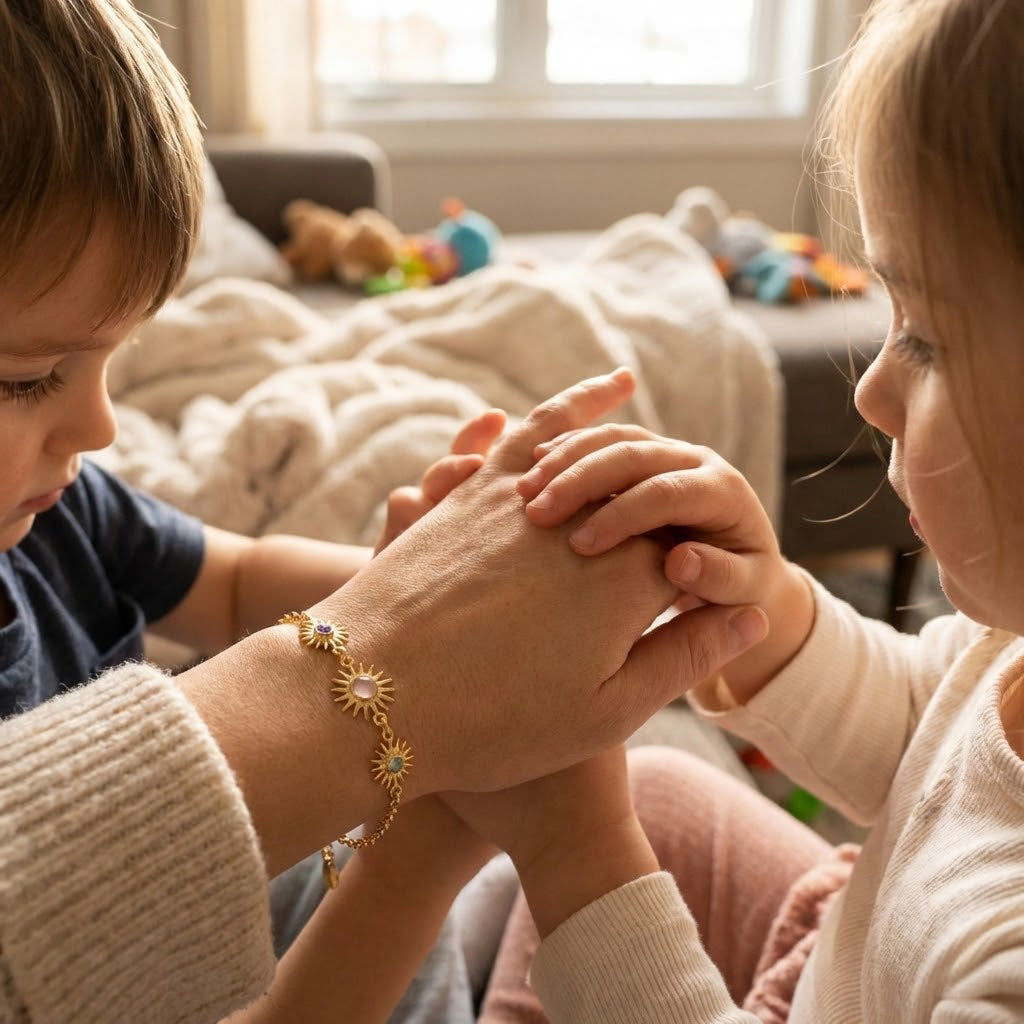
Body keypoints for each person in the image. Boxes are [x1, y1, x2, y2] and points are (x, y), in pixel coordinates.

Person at [0, 4, 772, 1021]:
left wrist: (453, 592)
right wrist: (420, 837)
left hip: (222, 917)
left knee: (658, 792)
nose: (99, 424)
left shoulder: (56, 513)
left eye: (112, 357)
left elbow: (236, 581)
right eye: (29, 377)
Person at [403, 0, 1024, 1020]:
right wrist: (757, 605)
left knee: (609, 847)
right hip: (841, 961)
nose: (871, 392)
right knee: (659, 794)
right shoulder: (1009, 645)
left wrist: (575, 847)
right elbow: (922, 729)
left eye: (926, 339)